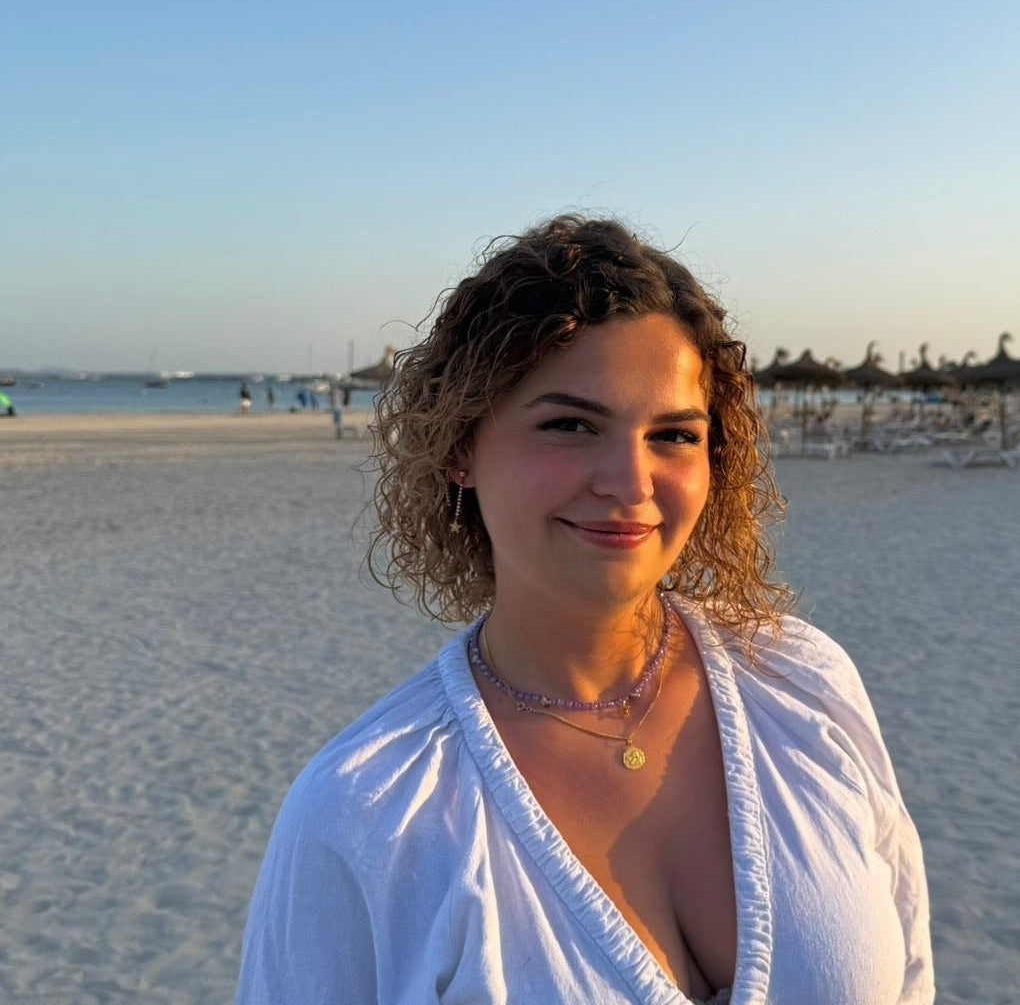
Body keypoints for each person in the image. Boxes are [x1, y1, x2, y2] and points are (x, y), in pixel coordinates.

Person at [235, 215, 933, 1005]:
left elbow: (911, 971)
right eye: (569, 425)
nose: (630, 483)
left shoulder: (804, 685)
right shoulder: (366, 812)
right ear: (459, 446)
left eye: (673, 435)